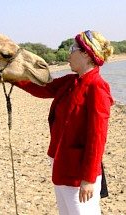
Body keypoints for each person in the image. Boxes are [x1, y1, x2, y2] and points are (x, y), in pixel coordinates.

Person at [15, 30, 114, 215]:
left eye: (72, 49)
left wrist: (89, 179)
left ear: (86, 53)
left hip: (79, 174)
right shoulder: (71, 81)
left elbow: (97, 137)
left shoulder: (97, 87)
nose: (69, 54)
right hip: (60, 164)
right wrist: (12, 78)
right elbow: (43, 89)